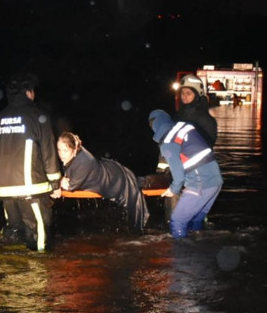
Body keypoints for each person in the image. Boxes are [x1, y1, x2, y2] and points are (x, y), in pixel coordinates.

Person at [0, 73, 62, 251]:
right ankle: (39, 267)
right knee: (38, 237)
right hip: (31, 188)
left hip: (5, 188)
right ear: (29, 92)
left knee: (14, 234)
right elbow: (48, 151)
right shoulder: (38, 116)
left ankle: (8, 265)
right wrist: (55, 183)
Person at [148, 109, 223, 239]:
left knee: (177, 221)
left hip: (200, 183)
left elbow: (178, 176)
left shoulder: (168, 142)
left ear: (154, 126)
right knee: (195, 221)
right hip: (215, 181)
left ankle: (182, 250)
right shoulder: (184, 126)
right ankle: (200, 246)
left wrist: (173, 189)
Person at [52, 132, 149, 231]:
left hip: (115, 179)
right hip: (108, 171)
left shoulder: (84, 161)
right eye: (59, 150)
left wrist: (60, 181)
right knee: (137, 182)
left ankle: (148, 181)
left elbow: (70, 187)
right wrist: (61, 180)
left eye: (65, 150)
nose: (61, 154)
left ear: (74, 150)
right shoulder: (74, 155)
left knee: (136, 187)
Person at [175, 74, 218, 147]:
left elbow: (207, 147)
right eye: (182, 93)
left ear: (197, 96)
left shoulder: (207, 121)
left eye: (188, 93)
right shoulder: (177, 115)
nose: (184, 97)